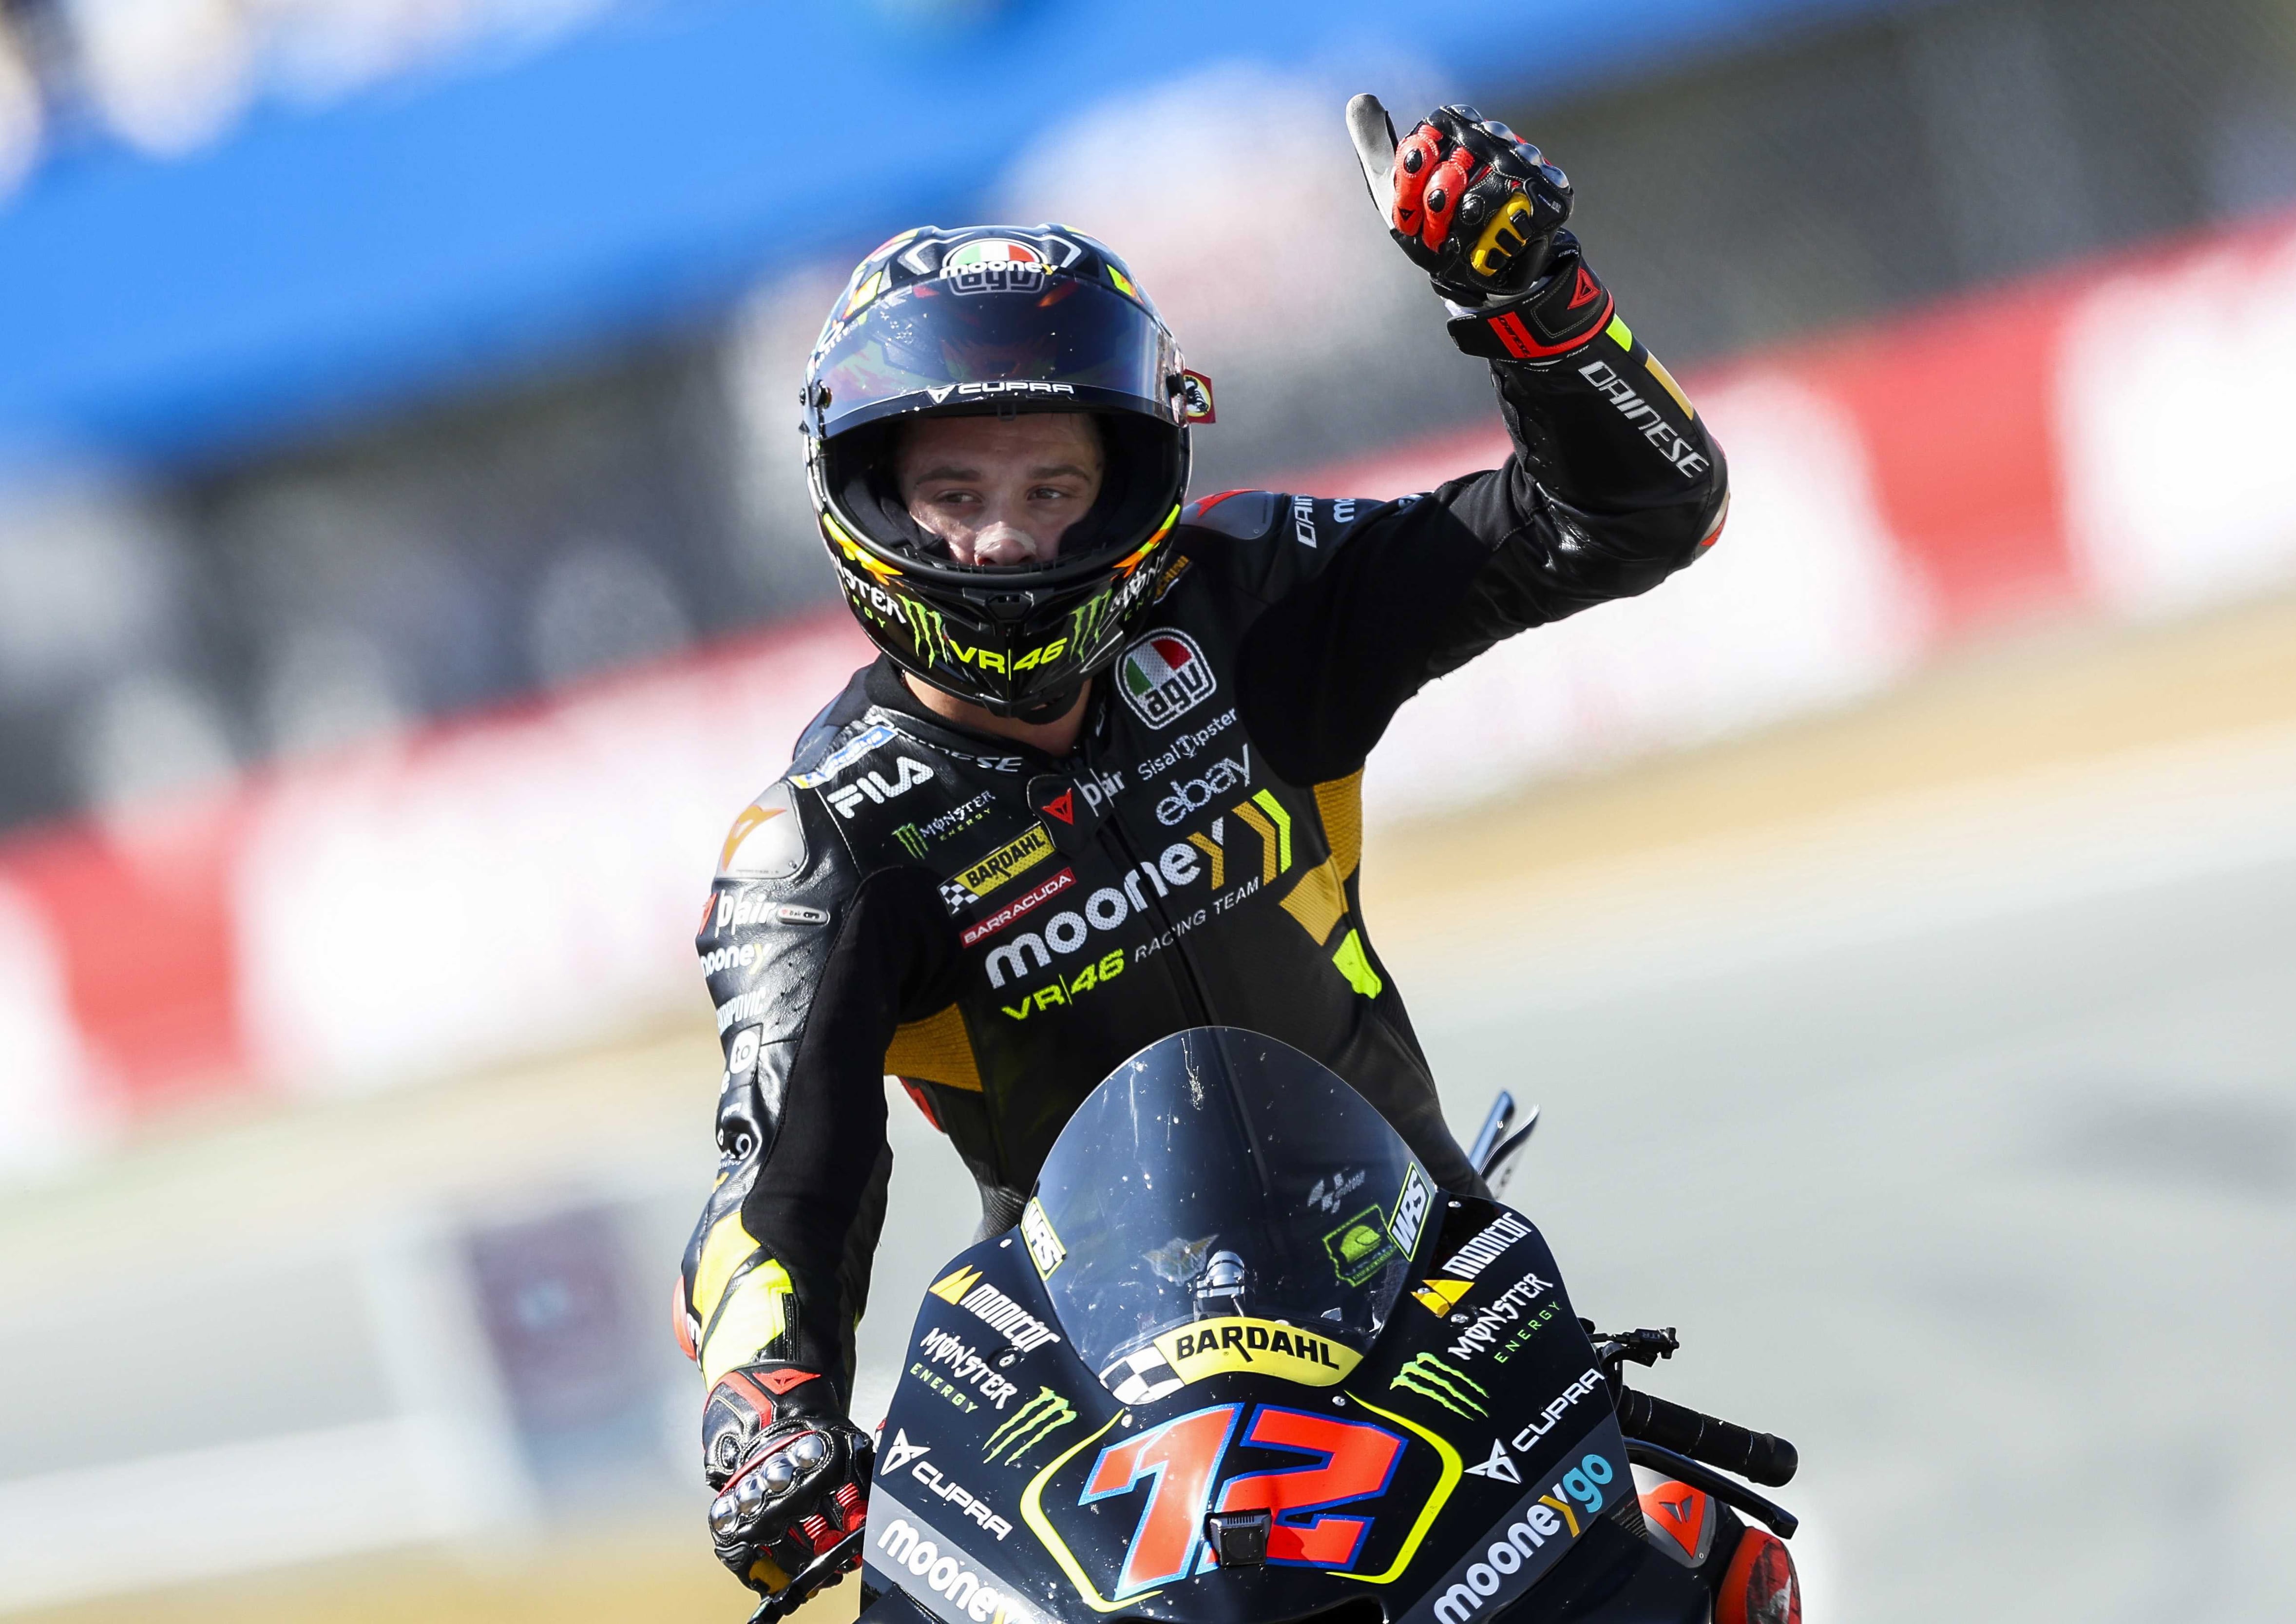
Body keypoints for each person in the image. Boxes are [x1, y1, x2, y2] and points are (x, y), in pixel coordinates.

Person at [676, 96, 1731, 1606]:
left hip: (1438, 1319)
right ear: (867, 500)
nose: (1005, 544)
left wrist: (1533, 306)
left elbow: (1639, 513)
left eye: (1052, 491)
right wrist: (761, 1403)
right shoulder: (826, 842)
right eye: (955, 496)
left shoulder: (1250, 599)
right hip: (1090, 1414)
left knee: (1713, 1571)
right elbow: (783, 1180)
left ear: (1132, 479)